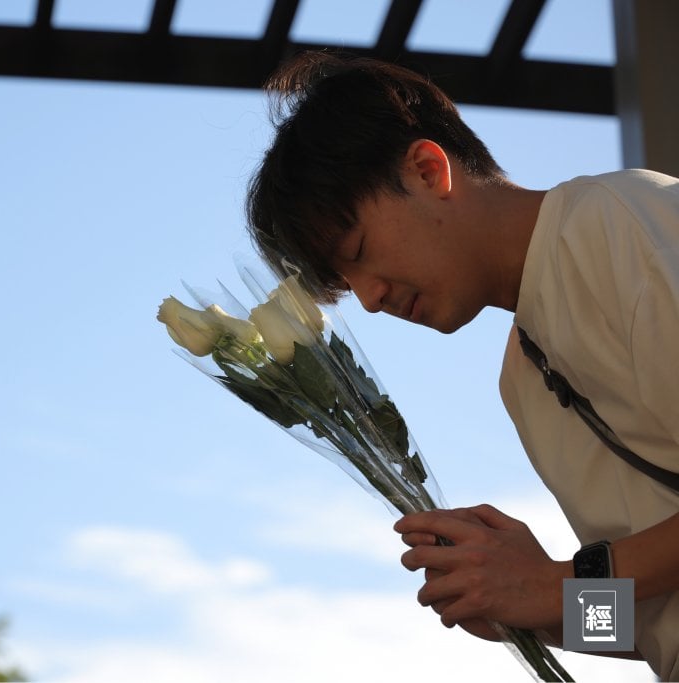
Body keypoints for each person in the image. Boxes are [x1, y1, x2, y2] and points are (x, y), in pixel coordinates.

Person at [245, 50, 679, 680]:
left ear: (428, 169)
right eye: (345, 283)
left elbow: (611, 582)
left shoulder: (620, 225)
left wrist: (560, 580)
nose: (369, 299)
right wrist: (532, 611)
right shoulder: (522, 380)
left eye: (359, 251)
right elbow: (654, 628)